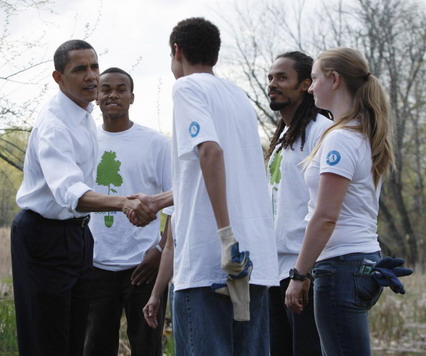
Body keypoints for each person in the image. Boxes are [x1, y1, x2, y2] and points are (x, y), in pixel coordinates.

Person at [134, 17, 279, 355]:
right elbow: (225, 174)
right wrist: (159, 201)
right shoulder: (238, 96)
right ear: (215, 53)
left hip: (210, 262)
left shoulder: (187, 87)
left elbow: (210, 152)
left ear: (176, 50)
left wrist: (225, 236)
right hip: (253, 262)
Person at [11, 40, 155, 356]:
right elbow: (69, 192)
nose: (91, 76)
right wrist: (123, 203)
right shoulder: (55, 123)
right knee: (47, 341)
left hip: (77, 236)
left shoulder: (83, 112)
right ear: (58, 77)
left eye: (94, 66)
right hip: (43, 237)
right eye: (80, 69)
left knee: (75, 339)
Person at [285, 47, 395, 356]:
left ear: (334, 80)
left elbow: (325, 216)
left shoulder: (341, 138)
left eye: (316, 78)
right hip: (362, 264)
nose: (311, 85)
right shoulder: (361, 133)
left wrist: (299, 274)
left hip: (342, 268)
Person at [83, 67, 171, 356]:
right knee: (94, 347)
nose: (113, 94)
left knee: (147, 348)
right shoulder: (85, 142)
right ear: (96, 96)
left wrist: (160, 250)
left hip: (143, 265)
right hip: (94, 264)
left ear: (132, 97)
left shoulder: (155, 143)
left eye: (121, 89)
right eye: (106, 88)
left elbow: (177, 202)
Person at [266, 51, 331, 356]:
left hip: (305, 271)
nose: (272, 84)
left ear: (306, 84)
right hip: (274, 270)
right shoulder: (282, 138)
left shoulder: (321, 131)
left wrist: (305, 273)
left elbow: (326, 207)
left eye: (282, 78)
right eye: (270, 78)